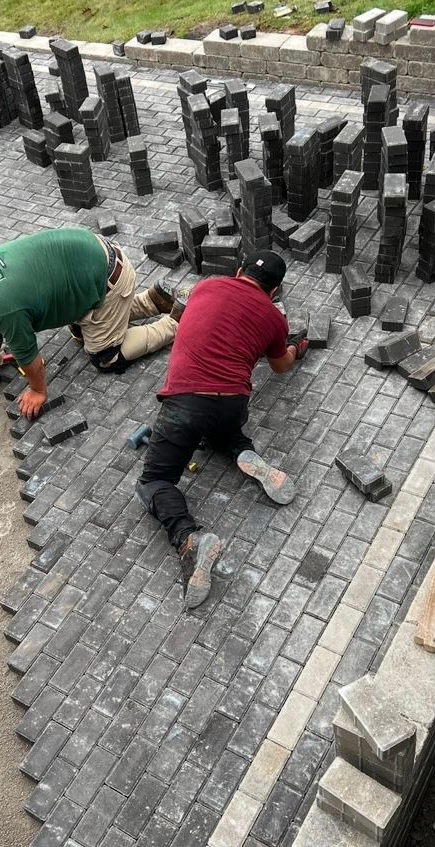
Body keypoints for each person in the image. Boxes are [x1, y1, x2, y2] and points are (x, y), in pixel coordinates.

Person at [135, 251, 309, 609]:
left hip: (184, 404)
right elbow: (280, 367)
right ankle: (244, 453)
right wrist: (295, 348)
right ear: (275, 290)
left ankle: (188, 539)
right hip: (232, 402)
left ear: (238, 271)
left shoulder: (205, 286)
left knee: (153, 482)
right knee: (223, 430)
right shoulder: (275, 318)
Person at [0, 228, 177, 418]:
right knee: (81, 331)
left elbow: (29, 358)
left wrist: (38, 391)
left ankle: (174, 322)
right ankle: (154, 300)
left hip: (108, 277)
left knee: (105, 355)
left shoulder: (3, 307)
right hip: (94, 258)